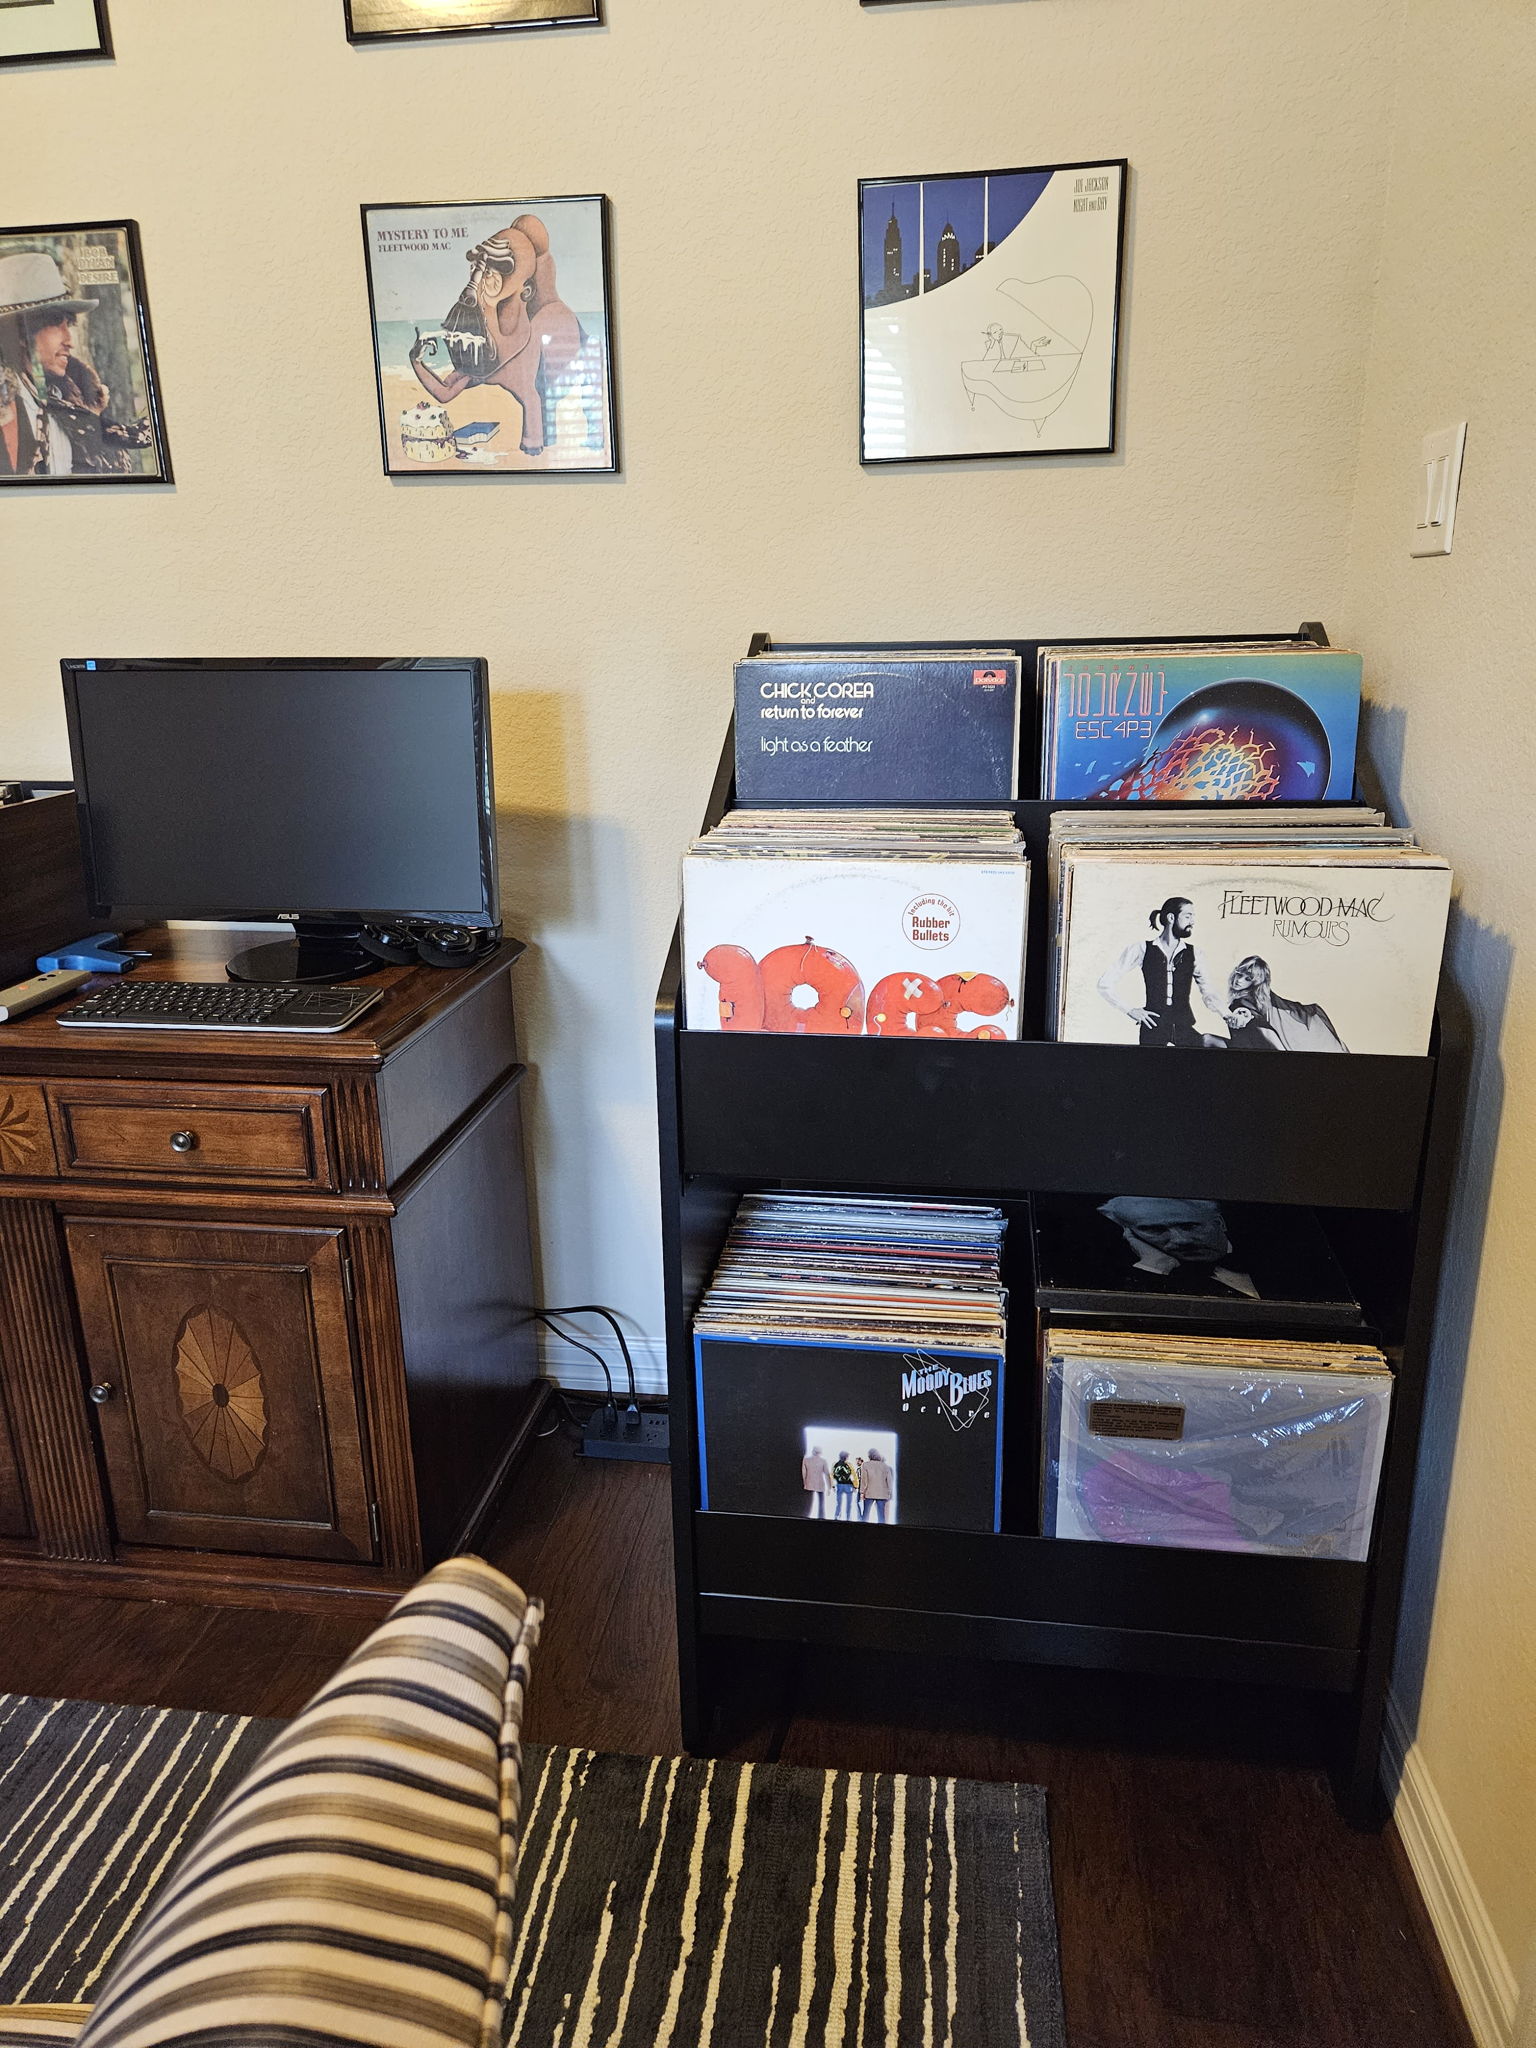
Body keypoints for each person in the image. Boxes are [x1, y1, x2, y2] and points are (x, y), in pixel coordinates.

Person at [0, 250, 147, 478]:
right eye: (58, 324)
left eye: (69, 325)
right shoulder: (8, 399)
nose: (70, 341)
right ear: (22, 331)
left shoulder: (65, 397)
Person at [1097, 896, 1232, 1047]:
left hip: (1183, 1026)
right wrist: (1130, 1010)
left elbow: (1208, 992)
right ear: (1171, 918)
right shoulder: (1141, 949)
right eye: (1188, 916)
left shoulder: (1195, 953)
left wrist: (1227, 1015)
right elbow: (1104, 984)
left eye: (1193, 917)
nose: (1192, 922)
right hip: (1152, 1029)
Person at [1097, 1195, 1258, 1299]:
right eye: (1155, 1230)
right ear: (1131, 1234)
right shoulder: (1114, 1275)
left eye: (1189, 1226)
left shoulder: (1268, 1255)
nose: (1180, 1240)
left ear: (1220, 1223)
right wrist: (1157, 1265)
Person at [1225, 955, 1348, 1052]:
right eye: (1239, 974)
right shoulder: (1259, 997)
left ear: (1255, 982)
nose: (1239, 981)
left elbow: (1262, 1028)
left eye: (1248, 979)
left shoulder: (1243, 1001)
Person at [858, 1447, 894, 1524]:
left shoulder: (865, 1465)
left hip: (869, 1493)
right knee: (881, 1515)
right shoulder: (885, 1466)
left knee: (866, 1514)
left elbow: (864, 1480)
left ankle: (862, 1531)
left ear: (869, 1455)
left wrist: (862, 1492)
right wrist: (890, 1492)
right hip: (882, 1493)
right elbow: (889, 1481)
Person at [801, 1444, 830, 1518]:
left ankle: (805, 1516)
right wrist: (829, 1486)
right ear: (820, 1452)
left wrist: (804, 1483)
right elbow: (827, 1474)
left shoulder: (806, 1460)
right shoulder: (823, 1461)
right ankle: (821, 1518)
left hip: (809, 1483)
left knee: (808, 1503)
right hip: (820, 1484)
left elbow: (804, 1473)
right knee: (821, 1503)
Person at [831, 1452, 857, 1521]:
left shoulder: (835, 1464)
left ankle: (837, 1516)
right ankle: (848, 1518)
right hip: (848, 1485)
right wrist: (855, 1486)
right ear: (846, 1457)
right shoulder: (849, 1464)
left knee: (838, 1503)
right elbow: (854, 1475)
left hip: (839, 1485)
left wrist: (832, 1485)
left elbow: (832, 1475)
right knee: (849, 1503)